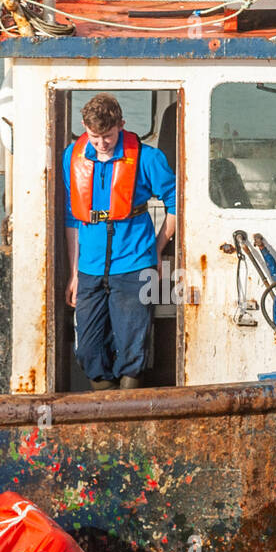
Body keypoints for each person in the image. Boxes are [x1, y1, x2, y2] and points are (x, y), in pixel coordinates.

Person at [63, 93, 177, 390]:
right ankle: (106, 398)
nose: (101, 144)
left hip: (135, 264)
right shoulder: (72, 158)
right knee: (87, 350)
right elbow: (72, 218)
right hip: (89, 268)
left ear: (122, 125)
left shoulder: (148, 158)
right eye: (94, 137)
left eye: (108, 136)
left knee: (132, 350)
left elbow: (177, 202)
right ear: (85, 129)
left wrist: (158, 248)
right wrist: (73, 274)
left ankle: (126, 411)